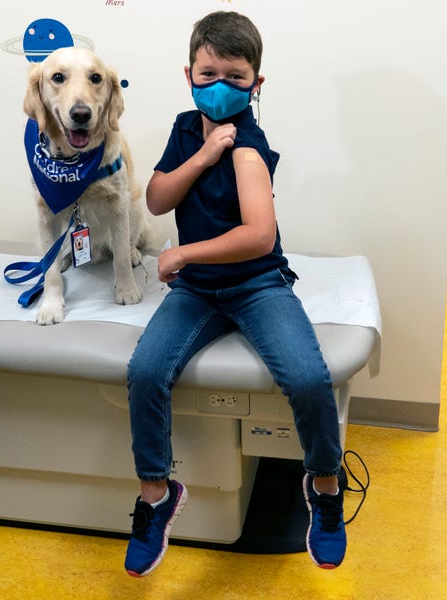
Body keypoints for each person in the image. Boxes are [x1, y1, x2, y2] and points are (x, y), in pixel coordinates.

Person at [123, 11, 346, 577]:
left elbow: (258, 236)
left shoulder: (249, 145)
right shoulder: (184, 129)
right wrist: (201, 156)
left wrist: (182, 254)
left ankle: (324, 486)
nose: (218, 86)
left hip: (255, 285)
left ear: (256, 84)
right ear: (189, 73)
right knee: (146, 371)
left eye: (235, 76)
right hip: (198, 293)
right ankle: (156, 495)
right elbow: (155, 200)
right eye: (207, 72)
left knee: (307, 378)